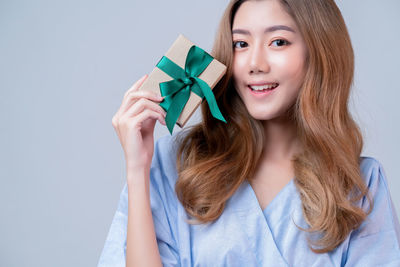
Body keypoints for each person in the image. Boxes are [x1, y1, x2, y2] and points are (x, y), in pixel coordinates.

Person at [98, 0, 400, 266]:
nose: (255, 64)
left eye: (278, 42)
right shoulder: (170, 164)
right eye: (241, 44)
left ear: (319, 52)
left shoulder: (360, 183)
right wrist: (137, 170)